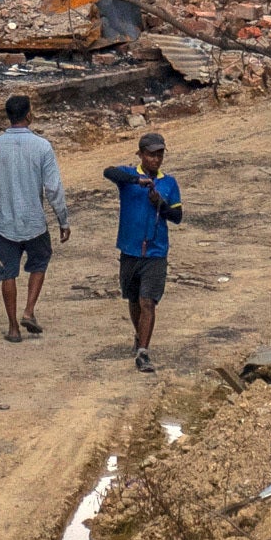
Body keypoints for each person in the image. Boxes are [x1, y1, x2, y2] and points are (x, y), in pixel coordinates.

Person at [0, 92, 59, 344]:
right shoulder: (42, 146)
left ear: (8, 116)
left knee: (7, 274)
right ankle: (29, 310)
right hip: (34, 222)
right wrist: (63, 220)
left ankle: (13, 328)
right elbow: (53, 189)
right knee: (40, 261)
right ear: (29, 115)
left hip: (5, 224)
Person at [106, 132, 182, 368]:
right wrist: (136, 182)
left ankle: (143, 351)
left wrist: (161, 204)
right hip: (129, 249)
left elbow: (178, 216)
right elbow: (108, 171)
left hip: (156, 252)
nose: (156, 160)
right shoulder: (129, 176)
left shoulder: (168, 183)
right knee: (133, 298)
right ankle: (140, 334)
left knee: (148, 301)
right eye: (151, 155)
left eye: (159, 155)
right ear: (140, 155)